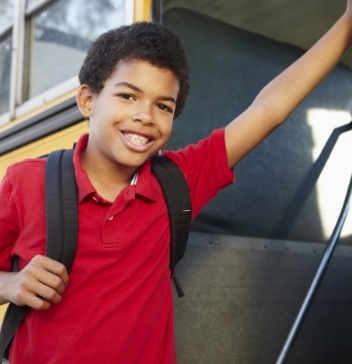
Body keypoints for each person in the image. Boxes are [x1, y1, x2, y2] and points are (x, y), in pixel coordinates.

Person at [0, 1, 351, 363]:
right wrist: (11, 284)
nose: (144, 116)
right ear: (89, 100)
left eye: (163, 106)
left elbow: (268, 111)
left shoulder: (176, 183)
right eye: (127, 95)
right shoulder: (26, 182)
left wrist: (347, 23)